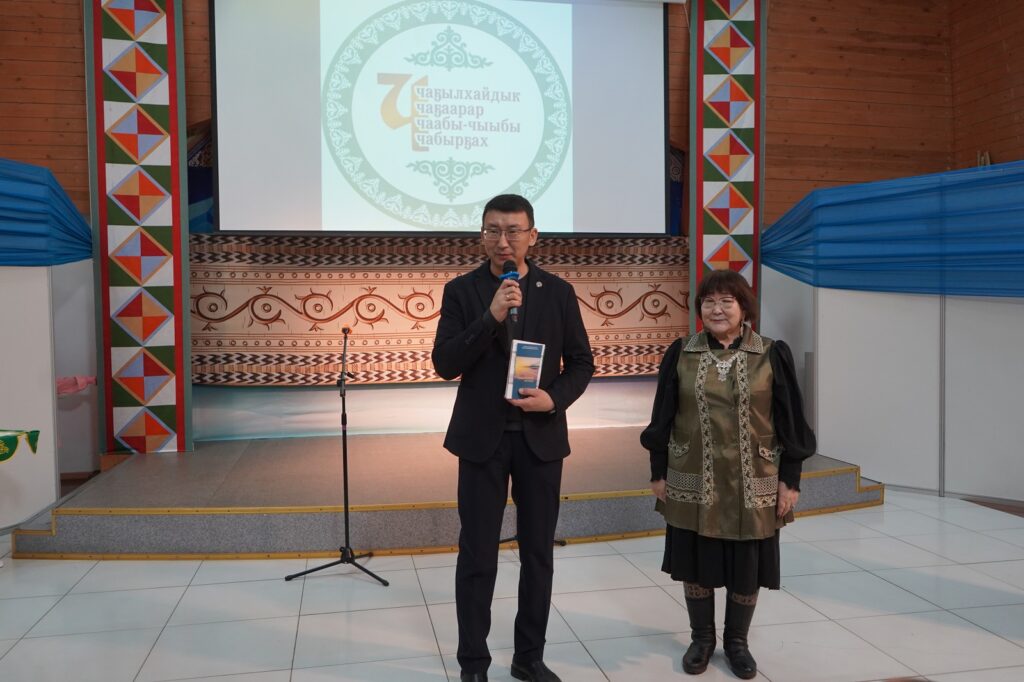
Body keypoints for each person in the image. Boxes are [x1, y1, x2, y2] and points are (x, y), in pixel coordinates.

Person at [432, 194, 594, 682]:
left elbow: (582, 363)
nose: (503, 240)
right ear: (482, 235)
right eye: (493, 230)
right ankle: (473, 663)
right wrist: (491, 317)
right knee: (477, 555)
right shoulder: (462, 291)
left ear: (533, 236)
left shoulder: (558, 292)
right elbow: (445, 363)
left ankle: (529, 657)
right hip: (482, 440)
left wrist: (554, 399)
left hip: (539, 440)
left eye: (513, 231)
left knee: (538, 554)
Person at [641, 270, 816, 680]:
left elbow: (790, 422)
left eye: (726, 301)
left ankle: (737, 643)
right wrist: (657, 471)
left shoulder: (771, 353)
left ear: (744, 308)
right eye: (709, 301)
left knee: (746, 565)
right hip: (691, 476)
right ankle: (702, 639)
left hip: (754, 479)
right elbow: (662, 416)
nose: (716, 309)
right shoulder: (681, 352)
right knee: (695, 561)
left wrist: (790, 480)